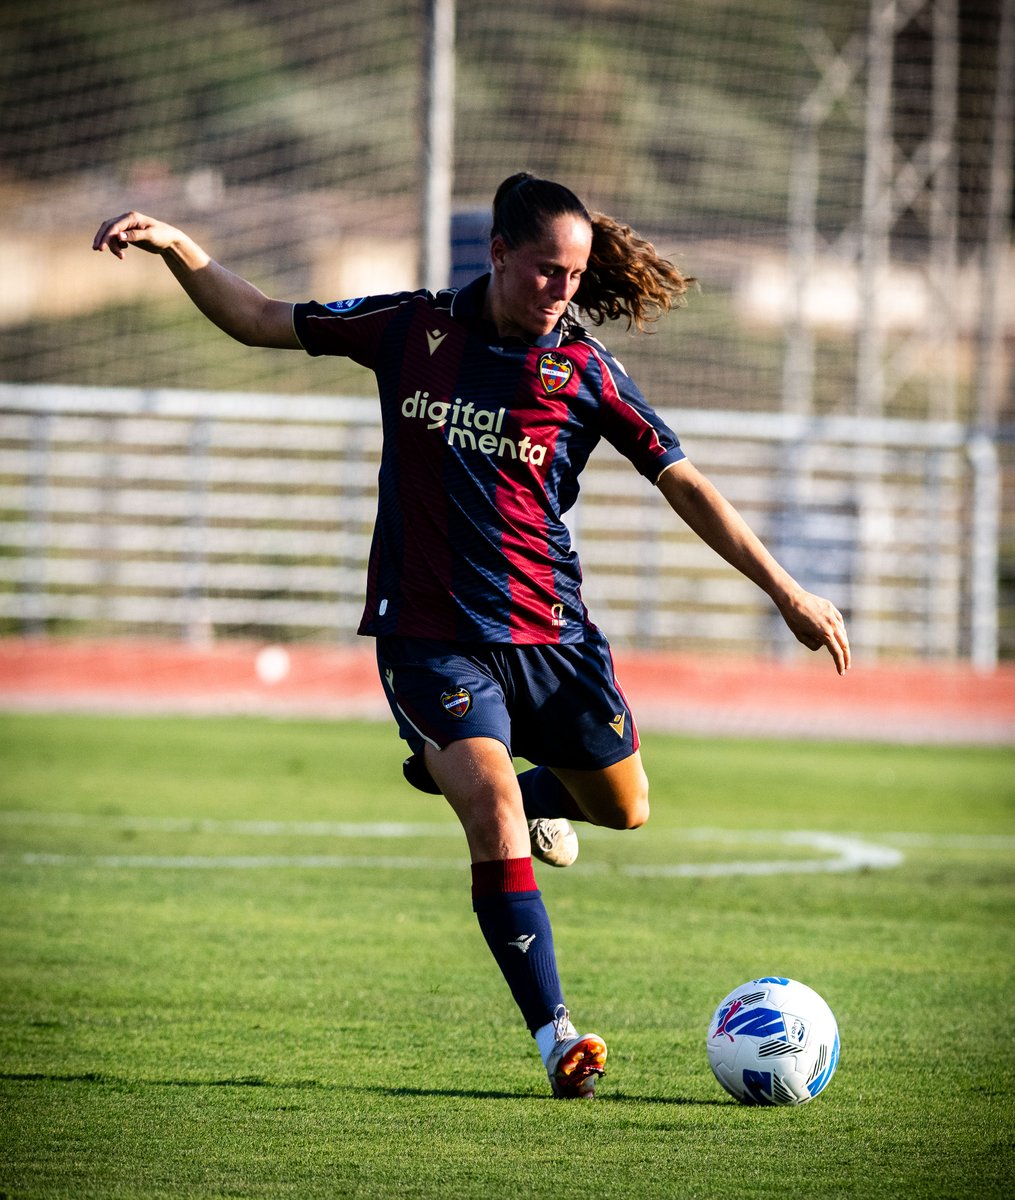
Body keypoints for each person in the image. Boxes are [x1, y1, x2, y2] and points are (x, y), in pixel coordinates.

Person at [93, 172, 850, 1099]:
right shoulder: (411, 329)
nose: (562, 291)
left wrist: (786, 592)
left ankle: (506, 786)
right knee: (490, 812)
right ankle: (555, 1037)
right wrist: (179, 247)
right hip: (430, 638)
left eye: (573, 275)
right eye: (544, 271)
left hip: (554, 640)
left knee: (623, 809)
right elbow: (258, 318)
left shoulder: (585, 372)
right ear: (496, 254)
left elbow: (682, 481)